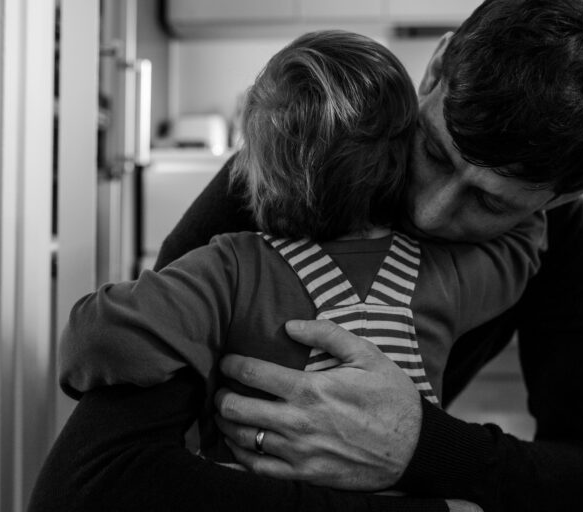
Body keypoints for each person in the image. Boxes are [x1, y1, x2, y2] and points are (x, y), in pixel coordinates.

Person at [29, 0, 583, 511]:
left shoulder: (552, 234)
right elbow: (87, 488)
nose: (431, 213)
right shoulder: (303, 170)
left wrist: (423, 446)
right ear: (436, 68)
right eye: (435, 153)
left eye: (491, 204)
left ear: (569, 195)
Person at [55, 29, 545, 466]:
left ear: (253, 175)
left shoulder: (230, 271)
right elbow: (525, 244)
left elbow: (94, 340)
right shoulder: (446, 276)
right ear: (401, 164)